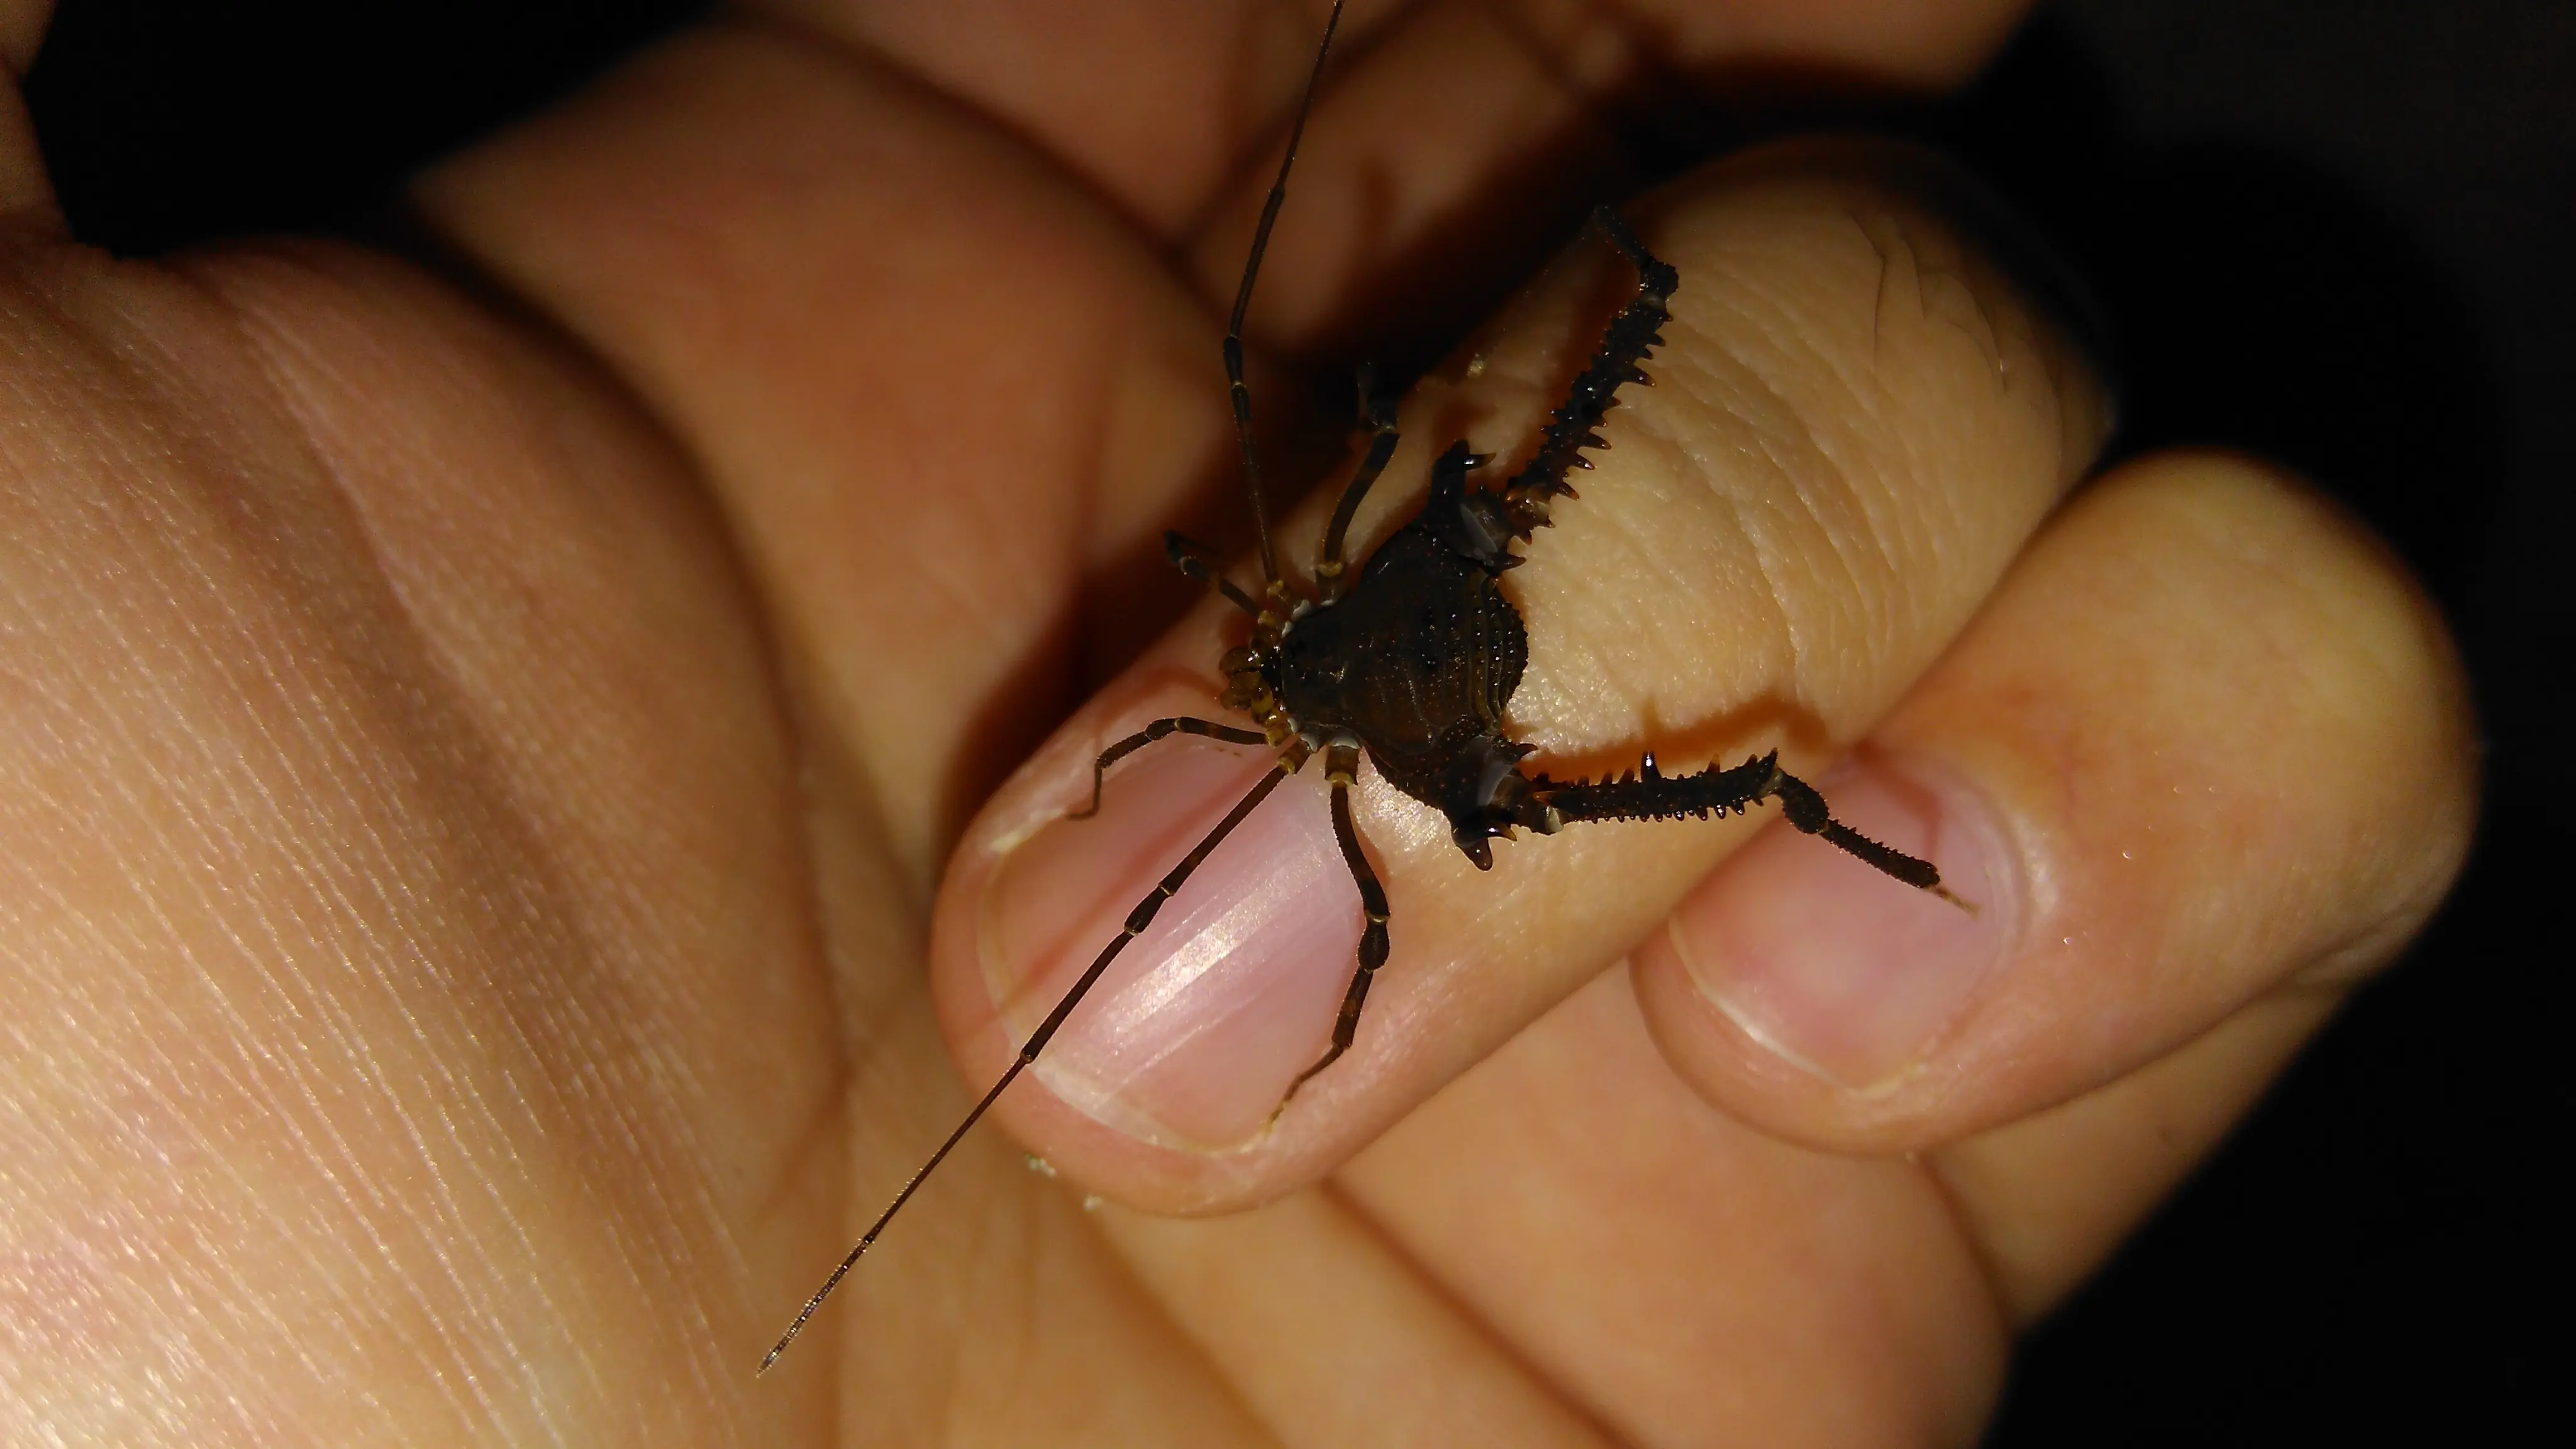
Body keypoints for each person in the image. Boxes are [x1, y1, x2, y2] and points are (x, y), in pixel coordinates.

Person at [0, 0, 2475, 1441]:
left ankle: (1755, 756)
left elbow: (1385, 500)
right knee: (1512, 600)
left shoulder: (1257, 618)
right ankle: (1763, 777)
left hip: (1384, 699)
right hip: (1376, 736)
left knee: (1507, 506)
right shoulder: (1257, 678)